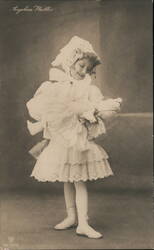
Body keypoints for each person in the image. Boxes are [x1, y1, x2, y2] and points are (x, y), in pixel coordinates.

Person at [26, 36, 122, 239]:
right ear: (70, 62)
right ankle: (71, 216)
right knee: (67, 180)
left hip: (79, 141)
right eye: (81, 66)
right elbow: (51, 112)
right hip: (63, 141)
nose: (84, 71)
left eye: (88, 69)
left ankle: (84, 223)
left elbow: (95, 108)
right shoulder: (58, 86)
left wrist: (93, 114)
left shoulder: (90, 89)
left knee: (79, 181)